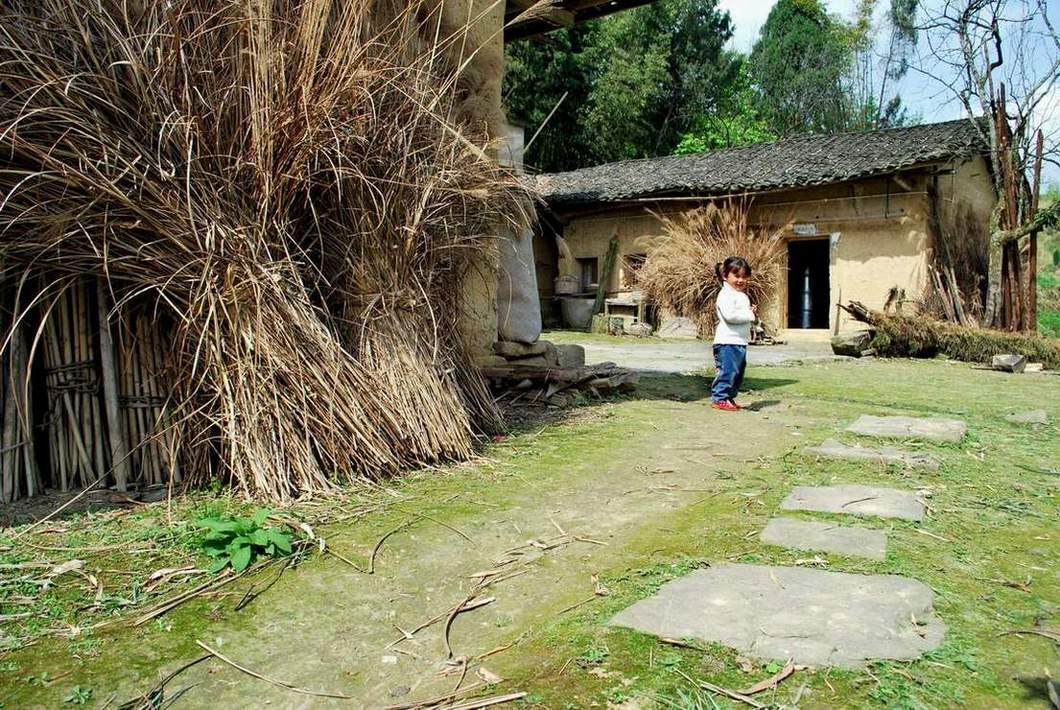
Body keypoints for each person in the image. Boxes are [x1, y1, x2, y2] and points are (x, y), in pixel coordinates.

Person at [711, 256, 756, 411]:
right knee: (727, 371)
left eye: (744, 277)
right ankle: (720, 398)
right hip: (727, 342)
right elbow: (730, 316)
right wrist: (750, 315)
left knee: (737, 373)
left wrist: (749, 312)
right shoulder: (725, 294)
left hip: (740, 341)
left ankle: (729, 397)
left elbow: (742, 314)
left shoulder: (741, 296)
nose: (740, 280)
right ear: (725, 276)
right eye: (736, 276)